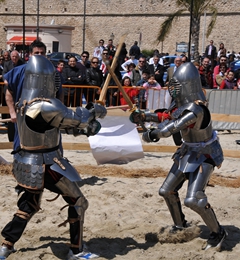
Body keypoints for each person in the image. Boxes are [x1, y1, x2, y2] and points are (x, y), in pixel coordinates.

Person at [0, 54, 106, 259]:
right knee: (78, 201)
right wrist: (96, 110)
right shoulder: (46, 105)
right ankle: (76, 251)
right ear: (46, 79)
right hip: (46, 163)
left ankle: (6, 245)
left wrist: (87, 128)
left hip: (26, 161)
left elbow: (56, 126)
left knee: (28, 206)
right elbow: (78, 119)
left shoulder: (24, 102)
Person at [130, 62, 227, 251]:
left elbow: (172, 128)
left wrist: (153, 134)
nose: (172, 89)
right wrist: (144, 116)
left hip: (205, 154)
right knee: (166, 191)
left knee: (194, 199)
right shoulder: (180, 105)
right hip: (187, 151)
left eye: (176, 85)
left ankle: (218, 232)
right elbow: (167, 117)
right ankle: (180, 225)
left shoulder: (196, 109)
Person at [2, 50, 25, 141]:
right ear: (11, 57)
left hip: (19, 91)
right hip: (9, 90)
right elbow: (4, 73)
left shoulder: (22, 63)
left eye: (16, 56)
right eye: (13, 57)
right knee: (11, 113)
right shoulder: (7, 64)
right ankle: (11, 136)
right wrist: (5, 80)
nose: (14, 58)